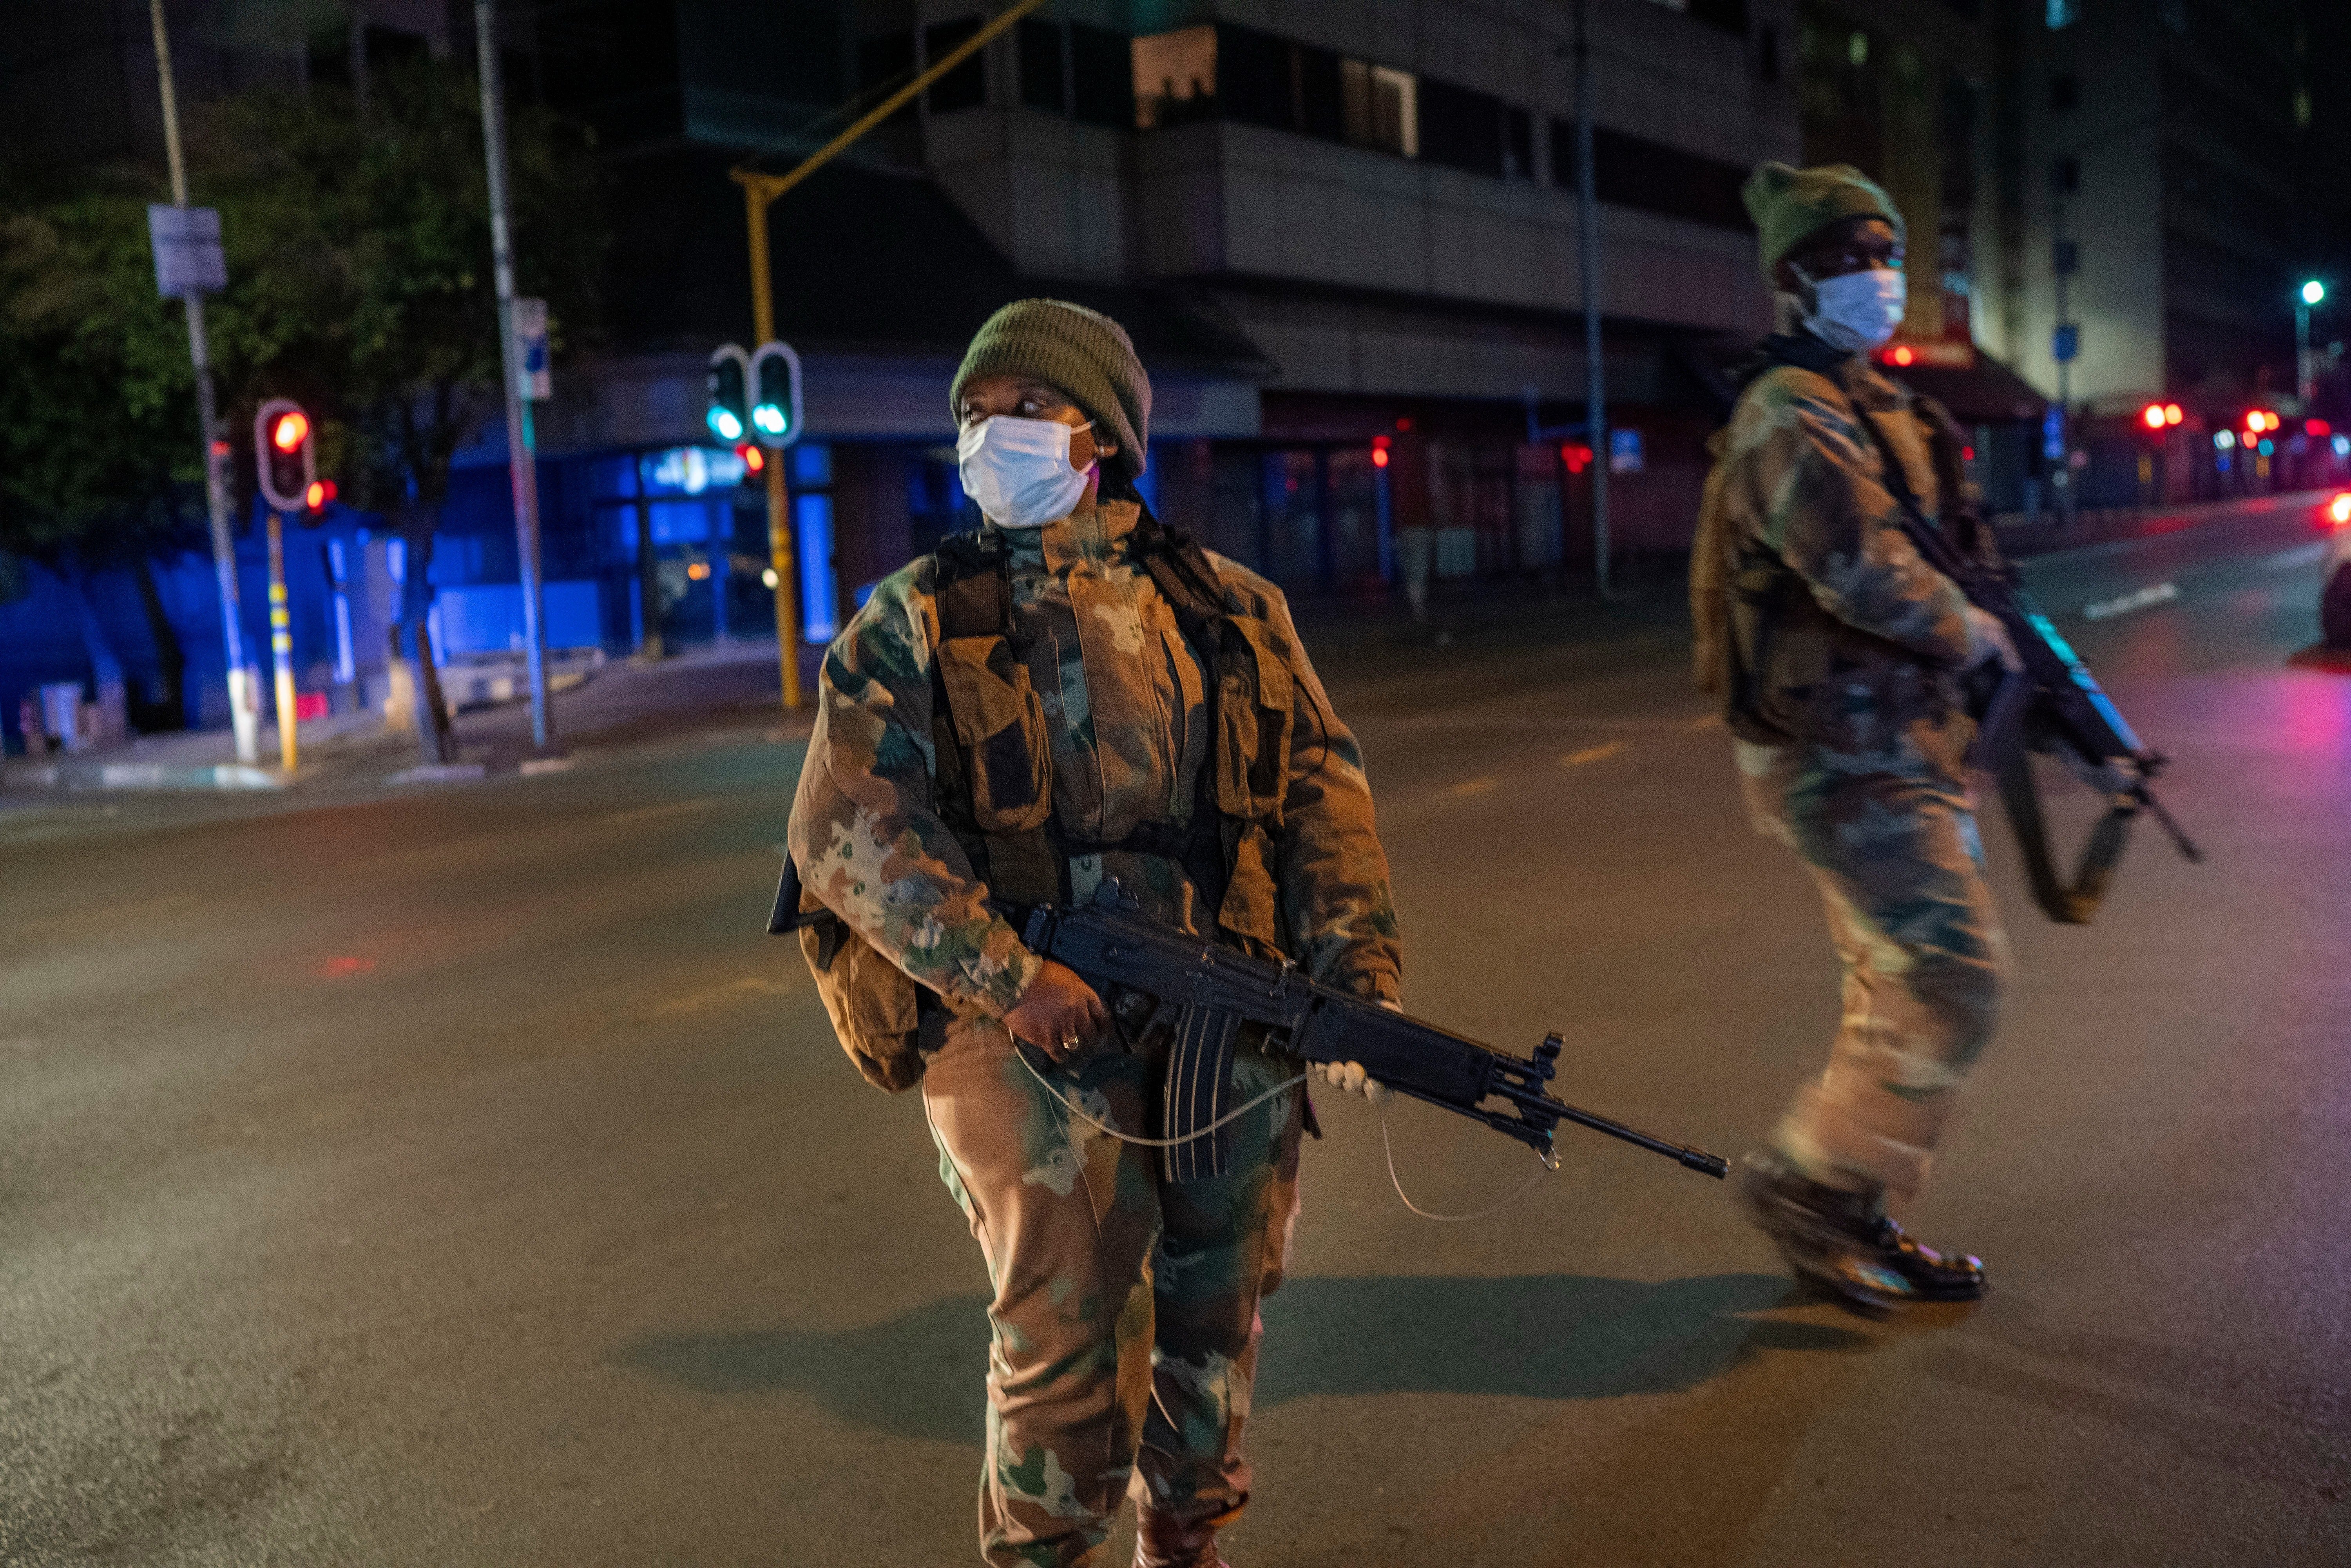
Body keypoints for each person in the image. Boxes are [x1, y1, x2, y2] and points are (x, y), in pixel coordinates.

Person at [788, 298, 1402, 1568]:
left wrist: (1358, 978)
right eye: (974, 414)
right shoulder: (915, 620)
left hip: (1225, 1013)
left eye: (1022, 408)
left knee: (1215, 1310)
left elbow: (1318, 801)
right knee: (1071, 1333)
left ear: (1100, 435)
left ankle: (1188, 1542)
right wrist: (1009, 976)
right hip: (1015, 1029)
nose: (990, 434)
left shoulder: (1233, 609)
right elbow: (849, 833)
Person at [1690, 163, 2025, 1318]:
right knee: (1955, 979)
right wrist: (1969, 629)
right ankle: (1811, 1182)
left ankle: (1860, 1205)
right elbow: (1857, 567)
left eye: (1887, 256)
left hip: (1895, 746)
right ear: (1793, 281)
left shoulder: (1871, 401)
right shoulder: (1790, 411)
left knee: (1897, 989)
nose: (1878, 280)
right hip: (1836, 752)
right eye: (1848, 261)